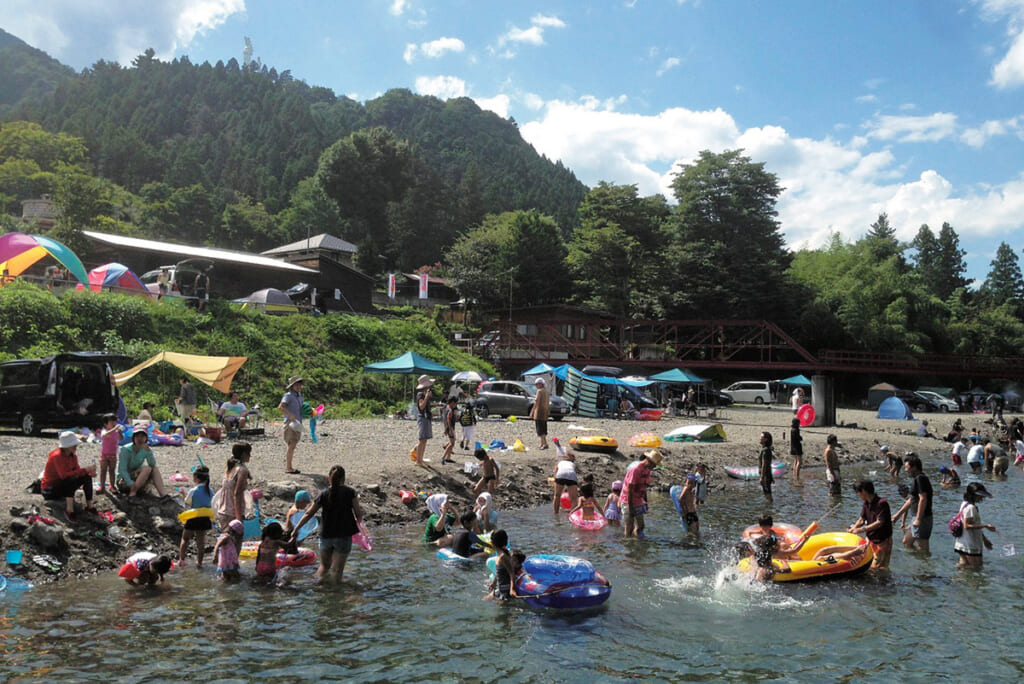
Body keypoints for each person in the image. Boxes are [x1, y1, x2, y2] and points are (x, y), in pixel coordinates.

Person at [290, 465, 363, 584]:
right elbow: (358, 514)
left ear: (329, 478)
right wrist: (362, 531)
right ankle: (336, 596)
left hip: (325, 535)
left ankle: (317, 587)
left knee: (324, 567)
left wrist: (296, 529)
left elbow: (308, 513)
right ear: (344, 478)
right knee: (337, 571)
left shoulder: (323, 494)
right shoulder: (350, 492)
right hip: (343, 535)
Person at [41, 431, 95, 522]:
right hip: (50, 489)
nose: (76, 447)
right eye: (74, 445)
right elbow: (63, 475)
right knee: (69, 479)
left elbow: (77, 471)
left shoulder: (72, 456)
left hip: (62, 486)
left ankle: (90, 506)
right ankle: (69, 510)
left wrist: (88, 472)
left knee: (86, 477)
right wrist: (84, 470)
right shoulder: (56, 456)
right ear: (67, 446)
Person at [891, 454, 933, 553]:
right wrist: (897, 516)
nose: (905, 470)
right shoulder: (917, 479)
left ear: (914, 467)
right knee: (906, 541)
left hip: (922, 518)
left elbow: (923, 499)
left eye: (907, 467)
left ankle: (924, 566)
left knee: (923, 547)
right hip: (916, 517)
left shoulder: (920, 479)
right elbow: (911, 500)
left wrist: (918, 519)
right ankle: (918, 564)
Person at [849, 480, 893, 570]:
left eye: (858, 492)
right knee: (870, 565)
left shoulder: (881, 503)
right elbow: (862, 519)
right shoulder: (866, 503)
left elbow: (880, 522)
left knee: (879, 567)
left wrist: (861, 530)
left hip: (883, 541)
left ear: (864, 491)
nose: (858, 495)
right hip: (871, 539)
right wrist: (853, 528)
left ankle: (885, 582)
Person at [621, 449, 662, 539]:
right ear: (648, 461)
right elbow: (630, 490)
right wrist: (631, 508)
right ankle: (628, 544)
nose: (654, 467)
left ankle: (636, 543)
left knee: (641, 526)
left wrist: (645, 502)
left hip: (638, 500)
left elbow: (644, 487)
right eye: (654, 465)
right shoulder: (636, 470)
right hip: (628, 501)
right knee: (629, 527)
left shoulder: (647, 470)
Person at [954, 482, 995, 570]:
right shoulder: (971, 508)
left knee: (963, 568)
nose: (982, 498)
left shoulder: (964, 504)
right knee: (977, 569)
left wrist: (984, 539)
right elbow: (967, 526)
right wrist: (985, 526)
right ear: (973, 495)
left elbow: (973, 525)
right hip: (970, 545)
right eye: (980, 496)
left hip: (961, 543)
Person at [117, 426, 167, 497]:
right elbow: (122, 470)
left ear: (146, 438)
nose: (140, 439)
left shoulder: (145, 449)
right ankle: (133, 492)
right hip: (124, 481)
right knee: (147, 468)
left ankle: (163, 494)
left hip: (138, 479)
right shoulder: (125, 449)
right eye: (137, 436)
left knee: (154, 469)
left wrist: (149, 452)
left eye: (142, 436)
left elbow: (152, 465)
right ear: (134, 438)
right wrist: (130, 483)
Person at [178, 466, 214, 567]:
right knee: (201, 542)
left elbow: (187, 503)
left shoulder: (193, 490)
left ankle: (181, 560)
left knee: (185, 538)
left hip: (193, 518)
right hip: (205, 519)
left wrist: (183, 494)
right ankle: (199, 563)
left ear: (197, 478)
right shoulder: (210, 491)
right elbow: (211, 503)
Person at [214, 442, 252, 529]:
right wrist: (239, 518)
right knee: (235, 541)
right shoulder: (242, 470)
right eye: (248, 453)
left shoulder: (229, 468)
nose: (250, 456)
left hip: (223, 511)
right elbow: (237, 494)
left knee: (226, 540)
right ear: (243, 454)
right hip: (233, 513)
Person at [278, 376, 304, 474]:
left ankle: (289, 466)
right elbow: (280, 407)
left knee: (293, 444)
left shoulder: (299, 396)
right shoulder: (288, 395)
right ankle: (288, 467)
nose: (298, 386)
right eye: (296, 385)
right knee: (291, 444)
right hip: (290, 422)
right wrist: (290, 416)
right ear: (292, 386)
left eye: (299, 384)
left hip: (298, 422)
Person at [483, 530, 518, 601]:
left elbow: (512, 573)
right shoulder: (499, 555)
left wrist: (512, 589)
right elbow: (498, 571)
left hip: (505, 590)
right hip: (500, 588)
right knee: (484, 600)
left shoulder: (503, 557)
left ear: (493, 543)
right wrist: (493, 583)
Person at [98, 413, 124, 494]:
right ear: (106, 424)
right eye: (111, 422)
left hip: (113, 455)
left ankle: (112, 486)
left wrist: (119, 432)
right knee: (103, 471)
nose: (114, 423)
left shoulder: (116, 432)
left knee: (112, 471)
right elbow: (105, 435)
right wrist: (115, 428)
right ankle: (102, 486)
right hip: (104, 454)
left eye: (115, 421)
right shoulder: (104, 431)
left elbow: (121, 439)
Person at [412, 375, 434, 467]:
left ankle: (420, 457)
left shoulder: (425, 394)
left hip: (427, 417)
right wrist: (426, 397)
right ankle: (418, 460)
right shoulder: (420, 394)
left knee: (424, 440)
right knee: (422, 439)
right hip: (423, 418)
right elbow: (421, 406)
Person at [282, 489, 312, 553]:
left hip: (286, 534)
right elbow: (295, 528)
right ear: (301, 501)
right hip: (289, 536)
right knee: (294, 554)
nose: (306, 505)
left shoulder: (292, 509)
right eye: (305, 503)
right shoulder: (295, 512)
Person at [676, 474, 700, 539]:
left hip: (693, 512)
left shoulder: (692, 490)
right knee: (693, 530)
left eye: (692, 483)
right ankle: (691, 541)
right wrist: (683, 512)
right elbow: (680, 500)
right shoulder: (686, 489)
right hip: (689, 513)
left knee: (697, 528)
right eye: (688, 483)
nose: (690, 485)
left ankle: (692, 538)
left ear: (695, 484)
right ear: (685, 482)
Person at [529, 377, 550, 449]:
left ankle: (545, 444)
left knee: (540, 429)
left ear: (541, 384)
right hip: (545, 412)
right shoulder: (547, 391)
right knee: (543, 428)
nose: (536, 386)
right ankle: (542, 443)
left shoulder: (539, 391)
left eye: (537, 384)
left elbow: (537, 402)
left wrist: (532, 412)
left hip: (539, 412)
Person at [758, 431, 775, 503]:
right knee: (767, 494)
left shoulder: (765, 450)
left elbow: (764, 464)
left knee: (768, 494)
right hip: (767, 475)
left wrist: (762, 477)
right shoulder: (767, 449)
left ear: (766, 439)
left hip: (765, 475)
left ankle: (768, 511)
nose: (759, 438)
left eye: (761, 437)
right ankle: (768, 511)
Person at [440, 396, 458, 464]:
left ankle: (448, 457)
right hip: (450, 428)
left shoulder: (445, 408)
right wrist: (450, 429)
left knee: (452, 441)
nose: (455, 405)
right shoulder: (450, 410)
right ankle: (443, 457)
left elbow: (444, 418)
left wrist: (446, 428)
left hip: (447, 427)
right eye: (455, 403)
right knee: (452, 443)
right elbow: (448, 419)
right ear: (452, 402)